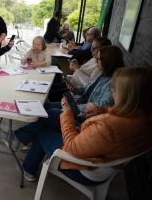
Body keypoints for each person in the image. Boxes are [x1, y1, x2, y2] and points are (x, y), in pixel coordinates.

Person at [16, 67, 152, 185]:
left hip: (86, 169)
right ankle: (22, 136)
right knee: (51, 115)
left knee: (44, 132)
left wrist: (67, 112)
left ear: (128, 96)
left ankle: (28, 167)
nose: (112, 92)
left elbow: (71, 147)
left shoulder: (107, 127)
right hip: (101, 158)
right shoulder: (142, 118)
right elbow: (114, 128)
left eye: (115, 90)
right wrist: (101, 110)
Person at [14, 45, 125, 181]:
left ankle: (22, 136)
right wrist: (74, 90)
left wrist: (70, 108)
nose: (95, 61)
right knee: (46, 106)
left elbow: (95, 108)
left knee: (50, 115)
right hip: (81, 109)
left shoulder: (112, 85)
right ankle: (28, 157)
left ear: (109, 62)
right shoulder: (102, 74)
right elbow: (88, 91)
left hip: (82, 116)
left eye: (98, 59)